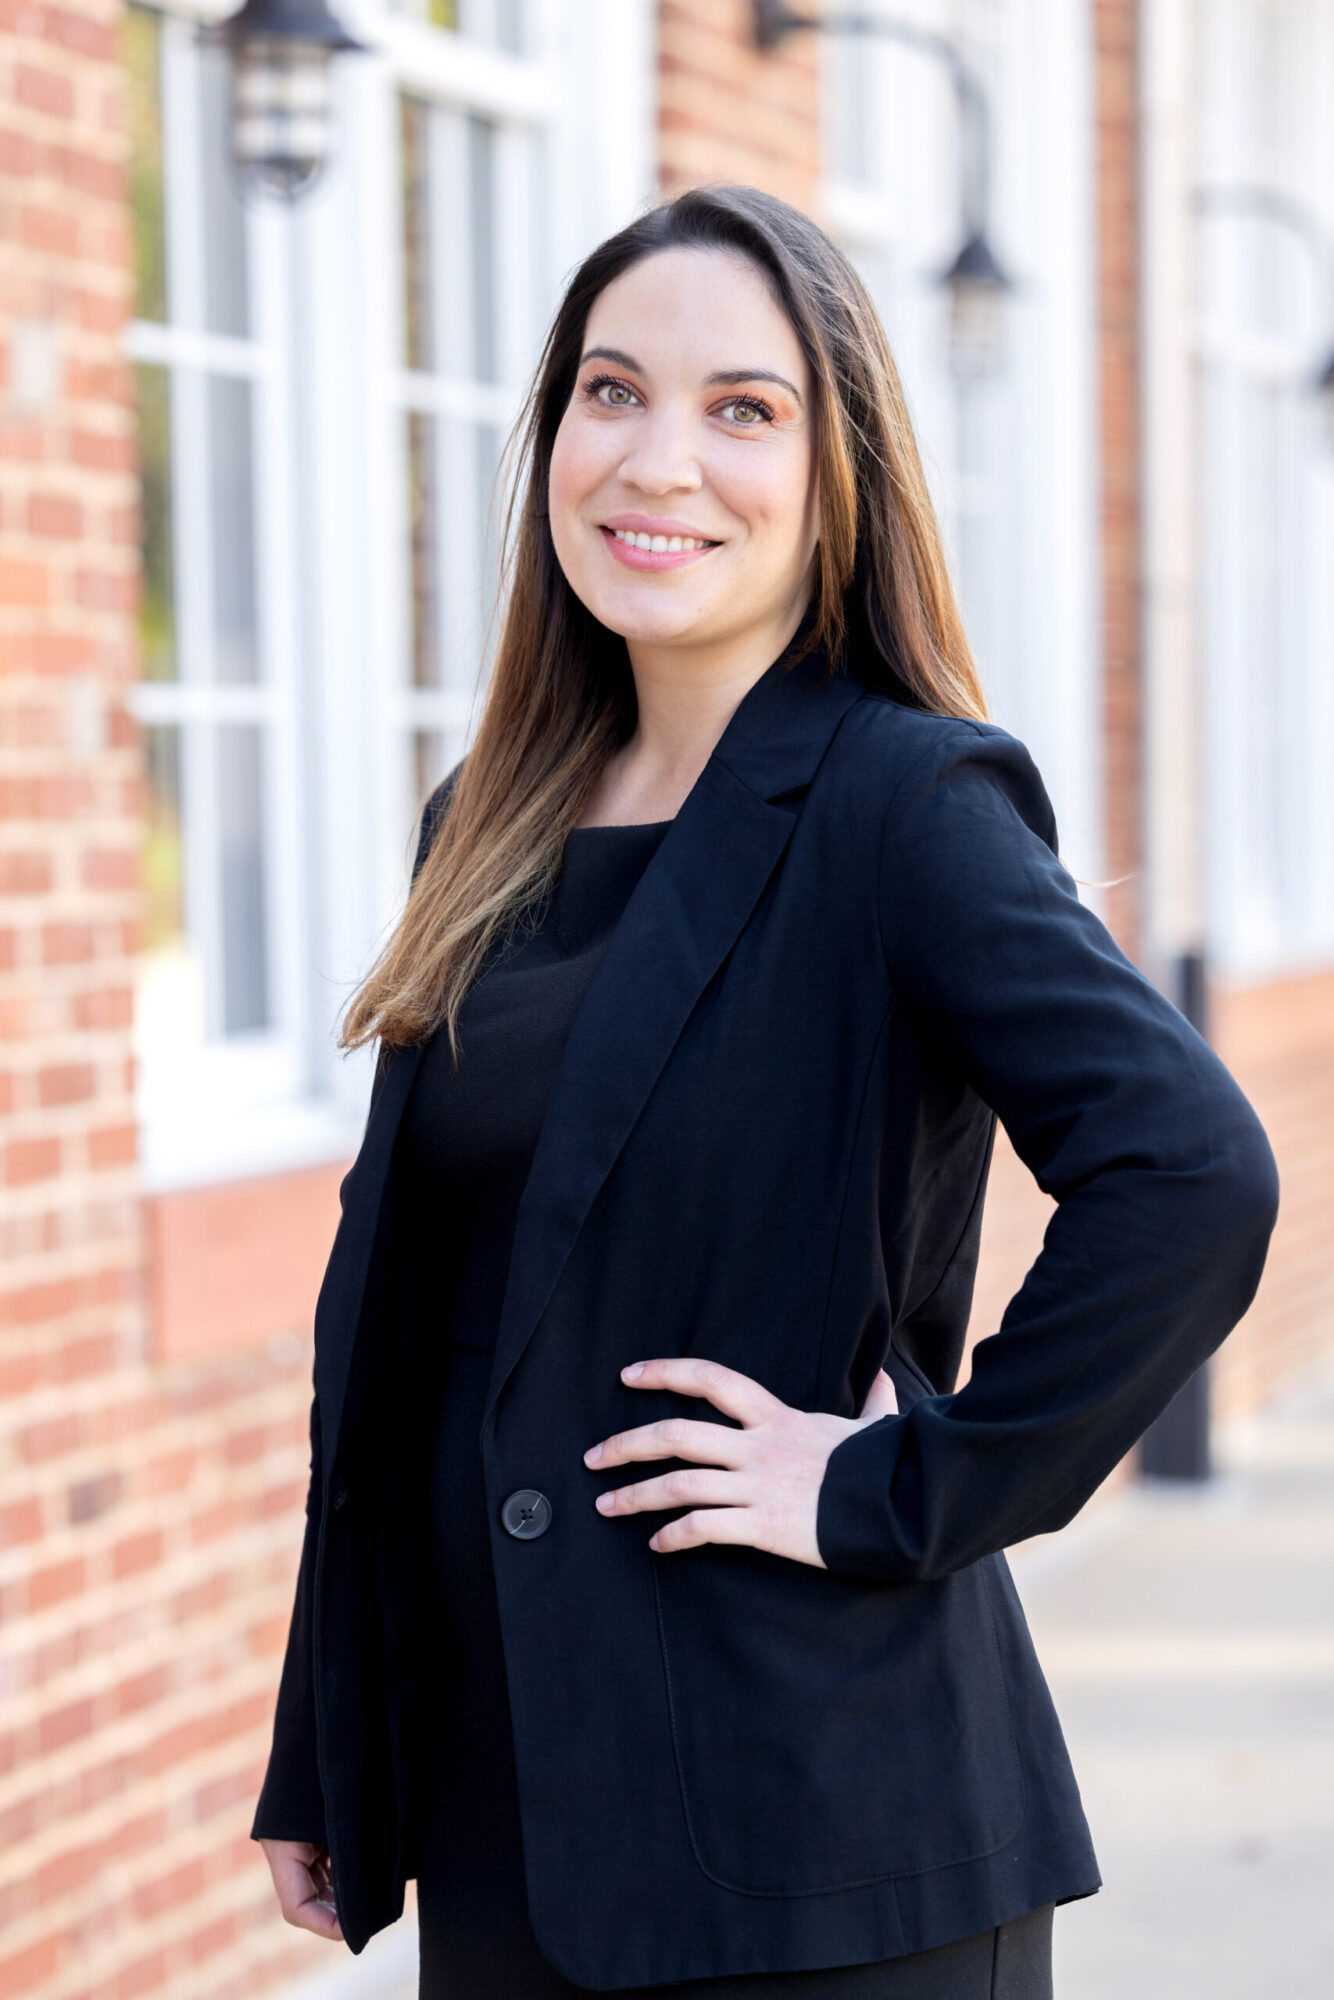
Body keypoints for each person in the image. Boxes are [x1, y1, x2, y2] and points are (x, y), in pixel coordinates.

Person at [251, 184, 1279, 1999]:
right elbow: (416, 1323)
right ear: (552, 434)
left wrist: (901, 1486)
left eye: (744, 408)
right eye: (609, 392)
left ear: (836, 471)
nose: (658, 462)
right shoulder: (483, 826)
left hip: (815, 1831)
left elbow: (1190, 1174)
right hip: (515, 1807)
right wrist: (329, 1735)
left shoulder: (903, 804)